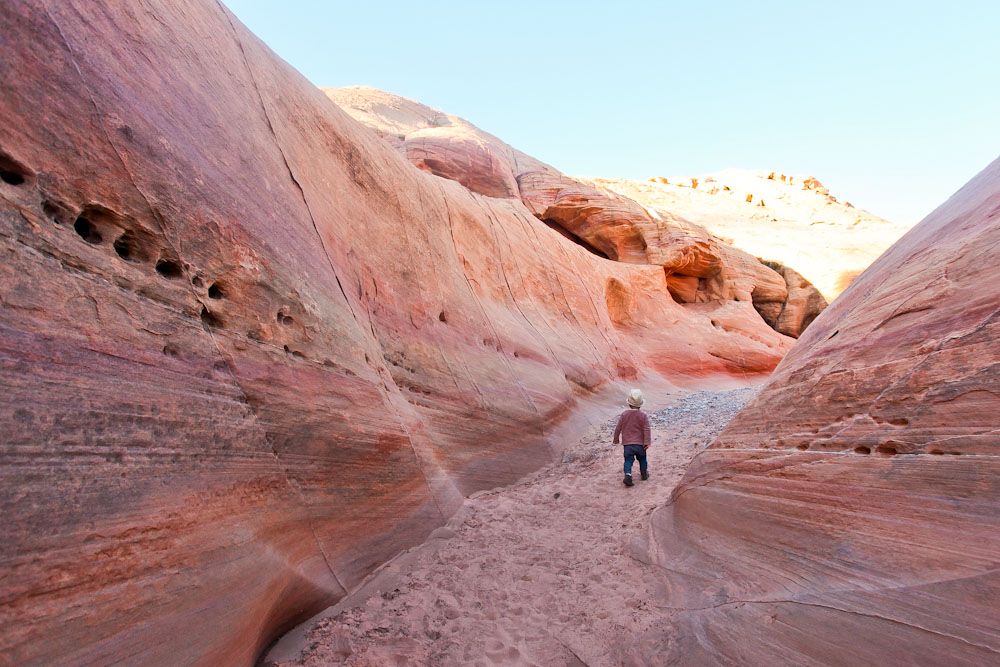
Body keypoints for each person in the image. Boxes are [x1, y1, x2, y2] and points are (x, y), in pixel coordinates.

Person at [612, 389, 651, 487]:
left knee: (628, 460)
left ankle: (628, 475)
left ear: (629, 404)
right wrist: (647, 442)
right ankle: (644, 474)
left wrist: (616, 439)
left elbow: (618, 428)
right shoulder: (643, 415)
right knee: (642, 459)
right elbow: (647, 429)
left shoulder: (624, 415)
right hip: (640, 444)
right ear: (641, 404)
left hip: (628, 444)